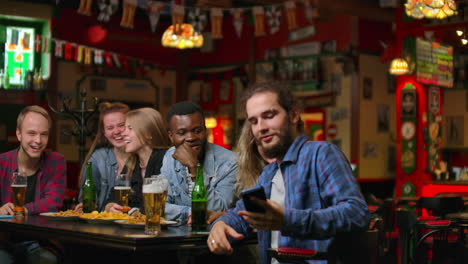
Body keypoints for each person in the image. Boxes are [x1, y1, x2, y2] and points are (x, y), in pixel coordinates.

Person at [207, 82, 370, 264]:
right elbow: (241, 214)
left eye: (269, 116)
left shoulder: (321, 154)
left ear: (293, 115)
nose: (260, 127)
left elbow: (357, 214)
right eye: (254, 121)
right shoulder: (269, 173)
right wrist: (220, 225)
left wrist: (288, 220)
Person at [0, 105, 67, 263]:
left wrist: (24, 209)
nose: (38, 141)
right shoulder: (2, 162)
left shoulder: (55, 161)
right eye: (31, 133)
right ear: (18, 134)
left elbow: (53, 202)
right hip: (3, 241)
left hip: (40, 242)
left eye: (43, 134)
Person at [160, 101, 237, 224]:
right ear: (171, 136)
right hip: (177, 237)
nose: (191, 137)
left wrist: (195, 168)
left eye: (197, 130)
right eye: (181, 133)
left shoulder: (230, 162)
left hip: (213, 238)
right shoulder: (170, 156)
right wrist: (190, 213)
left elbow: (219, 211)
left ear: (205, 130)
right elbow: (160, 206)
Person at [105, 107, 171, 212]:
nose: (123, 134)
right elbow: (111, 199)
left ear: (149, 134)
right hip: (133, 227)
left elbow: (157, 207)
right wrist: (111, 207)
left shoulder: (165, 159)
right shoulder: (132, 162)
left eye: (130, 128)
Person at [76, 102, 130, 212]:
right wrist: (85, 207)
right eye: (110, 127)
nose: (116, 131)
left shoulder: (142, 158)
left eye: (121, 125)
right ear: (104, 133)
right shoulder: (98, 159)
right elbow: (88, 201)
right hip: (104, 226)